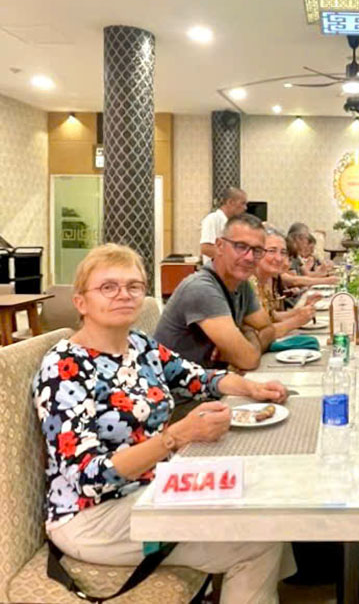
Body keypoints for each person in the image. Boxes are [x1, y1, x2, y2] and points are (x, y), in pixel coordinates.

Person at [33, 243, 293, 603]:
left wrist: (251, 387)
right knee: (257, 537)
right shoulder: (64, 368)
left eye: (133, 286)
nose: (124, 294)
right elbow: (88, 476)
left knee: (261, 497)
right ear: (81, 302)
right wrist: (174, 437)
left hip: (152, 487)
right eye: (108, 287)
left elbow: (196, 378)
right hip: (93, 516)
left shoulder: (139, 345)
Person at [155, 213, 275, 370]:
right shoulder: (201, 289)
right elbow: (248, 360)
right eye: (240, 246)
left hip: (212, 379)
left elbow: (268, 328)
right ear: (219, 246)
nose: (249, 257)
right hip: (177, 384)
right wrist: (246, 337)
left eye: (257, 250)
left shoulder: (241, 284)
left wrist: (243, 333)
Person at [253, 228, 320, 336]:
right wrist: (296, 321)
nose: (279, 258)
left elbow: (273, 316)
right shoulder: (248, 285)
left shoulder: (265, 281)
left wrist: (301, 311)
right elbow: (259, 334)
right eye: (272, 251)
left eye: (283, 252)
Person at [199, 186, 247, 264]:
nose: (245, 208)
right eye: (242, 203)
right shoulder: (213, 219)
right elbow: (206, 248)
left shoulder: (235, 223)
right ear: (230, 202)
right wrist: (233, 258)